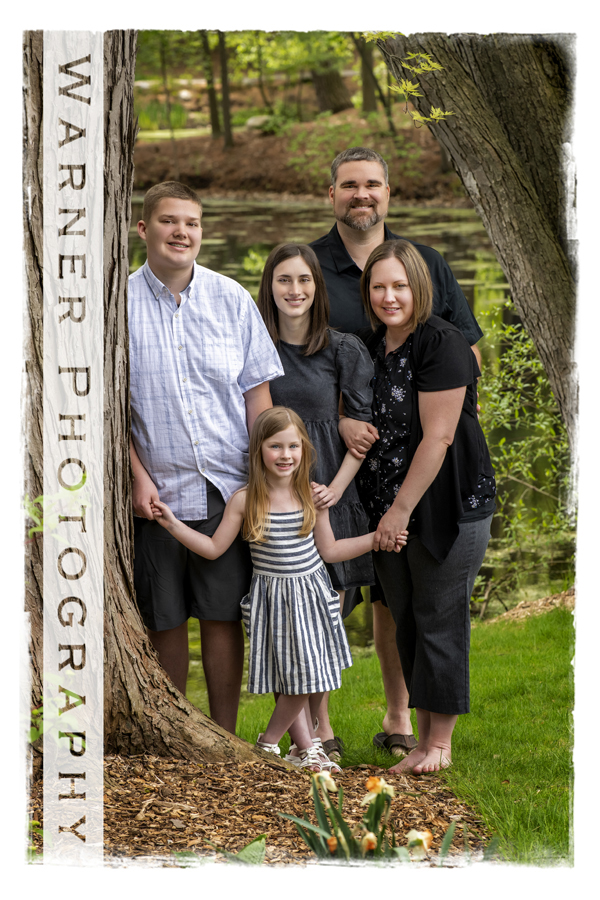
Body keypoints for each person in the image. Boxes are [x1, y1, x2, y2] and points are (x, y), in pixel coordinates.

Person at [309, 147, 485, 758]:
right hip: (359, 476)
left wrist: (449, 398)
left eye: (373, 185)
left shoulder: (436, 316)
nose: (388, 295)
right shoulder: (319, 277)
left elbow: (450, 403)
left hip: (431, 489)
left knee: (433, 612)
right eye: (350, 185)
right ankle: (330, 729)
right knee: (386, 604)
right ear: (330, 192)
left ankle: (425, 735)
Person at [149, 407, 407, 770]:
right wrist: (172, 524)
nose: (285, 455)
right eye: (275, 447)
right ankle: (274, 744)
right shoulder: (245, 500)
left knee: (310, 677)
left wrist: (376, 540)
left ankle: (300, 748)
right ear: (258, 451)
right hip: (275, 602)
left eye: (293, 446)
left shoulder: (311, 497)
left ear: (304, 449)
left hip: (312, 598)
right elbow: (212, 548)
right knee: (295, 679)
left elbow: (331, 550)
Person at [128, 181, 284, 734]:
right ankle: (175, 737)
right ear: (143, 229)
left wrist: (262, 482)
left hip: (228, 490)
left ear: (201, 231)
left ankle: (222, 735)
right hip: (156, 496)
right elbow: (108, 410)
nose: (181, 233)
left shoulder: (231, 299)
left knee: (222, 616)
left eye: (191, 223)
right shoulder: (117, 305)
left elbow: (257, 397)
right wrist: (136, 478)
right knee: (164, 619)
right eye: (169, 222)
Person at [356, 239, 496, 773]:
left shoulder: (442, 341)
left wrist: (399, 512)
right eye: (378, 286)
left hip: (444, 507)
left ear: (419, 286)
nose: (389, 296)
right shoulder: (373, 347)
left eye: (399, 285)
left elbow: (436, 440)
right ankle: (422, 737)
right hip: (387, 511)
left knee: (438, 617)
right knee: (408, 619)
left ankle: (439, 745)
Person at [256, 242, 376, 760]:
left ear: (317, 287)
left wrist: (338, 488)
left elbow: (363, 432)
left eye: (304, 280)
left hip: (330, 489)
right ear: (270, 287)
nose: (295, 290)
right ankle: (309, 732)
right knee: (293, 612)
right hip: (280, 489)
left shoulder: (342, 348)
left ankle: (318, 722)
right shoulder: (257, 345)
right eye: (284, 280)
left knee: (330, 607)